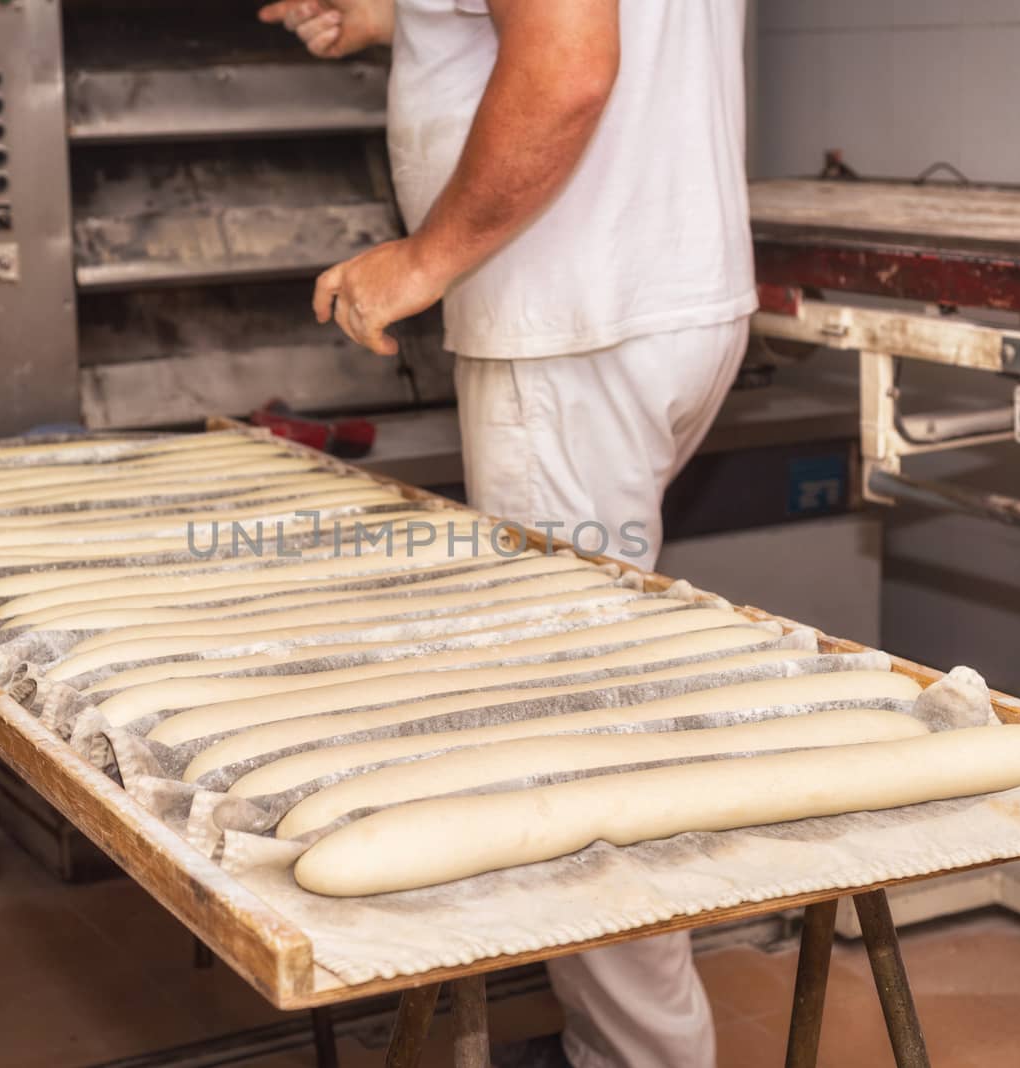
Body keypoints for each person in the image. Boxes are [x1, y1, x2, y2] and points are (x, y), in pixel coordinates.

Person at [259, 2, 754, 1066]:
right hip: (660, 294)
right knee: (597, 697)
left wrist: (425, 259)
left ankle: (638, 1061)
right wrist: (401, 18)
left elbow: (570, 62)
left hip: (569, 318)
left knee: (566, 734)